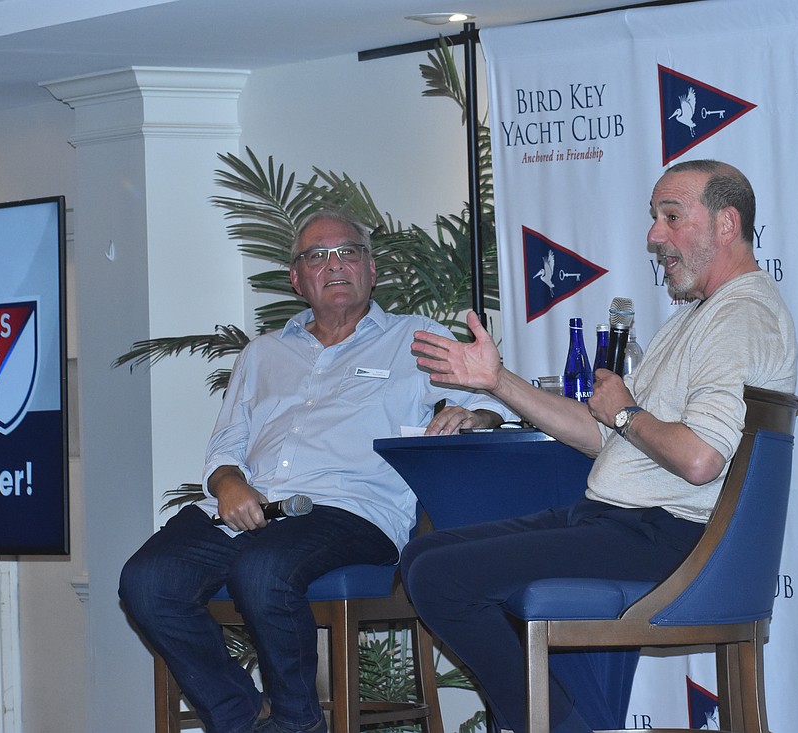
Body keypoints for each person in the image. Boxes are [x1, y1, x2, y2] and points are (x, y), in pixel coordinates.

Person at [401, 160, 798, 733]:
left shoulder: (741, 316)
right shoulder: (700, 315)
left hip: (668, 538)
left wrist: (628, 412)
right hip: (619, 521)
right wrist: (498, 382)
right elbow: (601, 434)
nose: (653, 236)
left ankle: (560, 727)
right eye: (653, 218)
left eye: (671, 217)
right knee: (421, 559)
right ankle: (561, 720)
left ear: (726, 223)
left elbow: (698, 458)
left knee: (442, 578)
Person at [119, 209, 508, 733]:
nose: (336, 265)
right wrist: (229, 482)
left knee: (261, 569)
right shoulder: (263, 353)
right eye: (317, 256)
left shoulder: (414, 337)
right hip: (257, 506)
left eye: (349, 252)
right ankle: (240, 714)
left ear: (372, 269)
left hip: (352, 511)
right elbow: (226, 444)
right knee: (147, 582)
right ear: (297, 279)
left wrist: (472, 414)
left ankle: (298, 724)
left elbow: (489, 404)